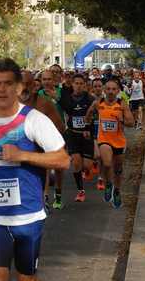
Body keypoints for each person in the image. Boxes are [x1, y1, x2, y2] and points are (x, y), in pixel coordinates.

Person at [0, 58, 70, 281]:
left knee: (26, 277)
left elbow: (63, 160)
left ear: (19, 87)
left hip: (28, 214)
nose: (2, 89)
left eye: (8, 83)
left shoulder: (34, 120)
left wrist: (23, 155)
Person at [19, 71, 66, 211]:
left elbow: (60, 127)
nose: (24, 88)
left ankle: (44, 200)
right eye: (21, 84)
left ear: (34, 86)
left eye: (27, 85)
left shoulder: (44, 104)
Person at [86, 78, 134, 209]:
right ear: (104, 90)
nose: (111, 92)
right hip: (104, 139)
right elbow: (88, 114)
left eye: (114, 89)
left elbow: (132, 123)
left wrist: (122, 119)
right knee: (107, 163)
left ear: (118, 91)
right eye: (108, 89)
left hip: (119, 141)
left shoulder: (122, 104)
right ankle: (108, 183)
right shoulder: (98, 103)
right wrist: (87, 123)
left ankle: (117, 190)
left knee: (118, 169)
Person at [59, 74, 95, 203]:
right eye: (76, 83)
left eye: (81, 84)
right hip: (73, 134)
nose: (78, 86)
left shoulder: (89, 99)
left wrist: (88, 128)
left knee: (87, 166)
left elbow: (93, 116)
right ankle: (81, 191)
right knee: (76, 163)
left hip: (86, 135)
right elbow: (61, 106)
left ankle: (89, 168)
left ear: (85, 85)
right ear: (73, 84)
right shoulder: (68, 99)